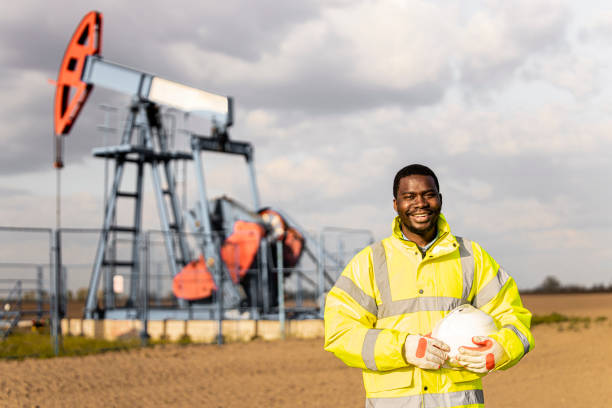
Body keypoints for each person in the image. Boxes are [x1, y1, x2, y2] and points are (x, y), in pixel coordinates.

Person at [324, 164, 534, 408]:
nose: (420, 203)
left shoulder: (472, 257)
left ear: (440, 199)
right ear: (395, 205)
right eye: (409, 197)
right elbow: (340, 332)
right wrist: (403, 348)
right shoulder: (370, 262)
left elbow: (514, 318)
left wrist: (501, 349)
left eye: (428, 194)